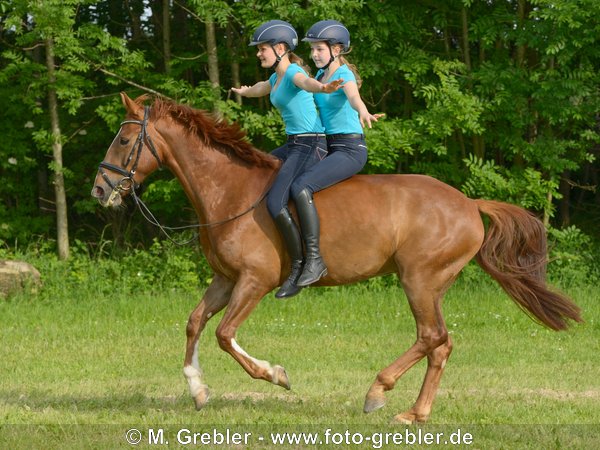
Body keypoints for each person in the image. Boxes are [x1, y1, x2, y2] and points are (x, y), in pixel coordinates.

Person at [232, 20, 342, 299]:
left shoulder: (292, 71)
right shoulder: (276, 78)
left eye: (263, 49)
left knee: (276, 200)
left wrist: (323, 88)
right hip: (295, 144)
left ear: (280, 48)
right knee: (257, 173)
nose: (259, 53)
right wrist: (246, 92)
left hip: (312, 144)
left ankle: (306, 263)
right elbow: (263, 87)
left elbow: (306, 82)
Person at [286, 19, 383, 289]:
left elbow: (353, 97)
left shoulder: (344, 76)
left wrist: (362, 111)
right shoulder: (318, 78)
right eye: (313, 50)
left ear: (337, 50)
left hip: (349, 149)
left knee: (301, 186)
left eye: (320, 49)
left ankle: (315, 260)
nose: (315, 54)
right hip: (327, 146)